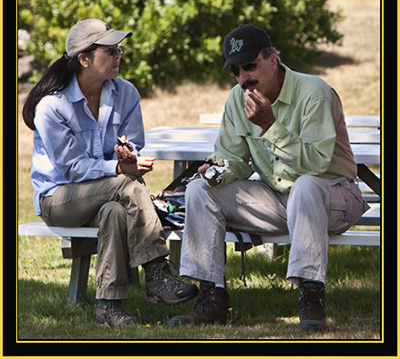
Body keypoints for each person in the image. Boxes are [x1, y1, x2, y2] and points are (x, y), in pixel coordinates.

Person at [169, 25, 369, 331]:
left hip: (334, 196)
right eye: (235, 71)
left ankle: (311, 293)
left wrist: (270, 126)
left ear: (272, 60)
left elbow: (315, 164)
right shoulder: (238, 99)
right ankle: (212, 298)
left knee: (305, 185)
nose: (243, 78)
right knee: (199, 190)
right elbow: (234, 159)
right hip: (279, 200)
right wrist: (216, 171)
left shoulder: (315, 93)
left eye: (250, 66)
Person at [22, 18, 198, 327]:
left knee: (115, 211)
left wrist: (127, 154)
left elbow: (135, 144)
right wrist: (117, 167)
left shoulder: (125, 93)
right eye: (111, 51)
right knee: (126, 188)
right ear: (84, 59)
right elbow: (73, 168)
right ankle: (157, 272)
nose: (118, 56)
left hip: (105, 193)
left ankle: (109, 306)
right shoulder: (52, 107)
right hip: (60, 199)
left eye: (119, 50)